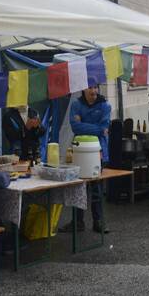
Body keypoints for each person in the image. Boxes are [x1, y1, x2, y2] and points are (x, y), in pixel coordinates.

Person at [60, 85, 111, 233]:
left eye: (96, 87)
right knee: (78, 187)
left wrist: (86, 126)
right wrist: (98, 129)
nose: (93, 91)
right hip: (79, 150)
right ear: (83, 89)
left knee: (97, 188)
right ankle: (77, 222)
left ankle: (98, 221)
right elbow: (76, 127)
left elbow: (105, 126)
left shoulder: (105, 105)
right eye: (90, 87)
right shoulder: (77, 104)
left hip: (98, 150)